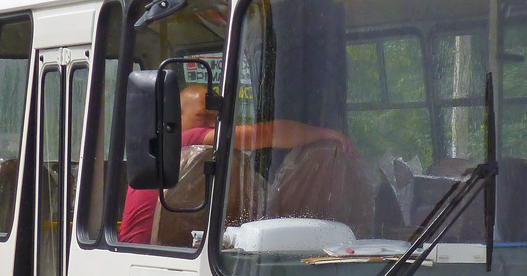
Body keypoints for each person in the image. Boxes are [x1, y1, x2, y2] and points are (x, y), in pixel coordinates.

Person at [118, 84, 353, 243]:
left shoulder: (197, 153)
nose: (212, 125)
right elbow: (261, 135)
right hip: (141, 253)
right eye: (202, 116)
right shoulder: (180, 139)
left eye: (216, 117)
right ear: (175, 117)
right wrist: (326, 134)